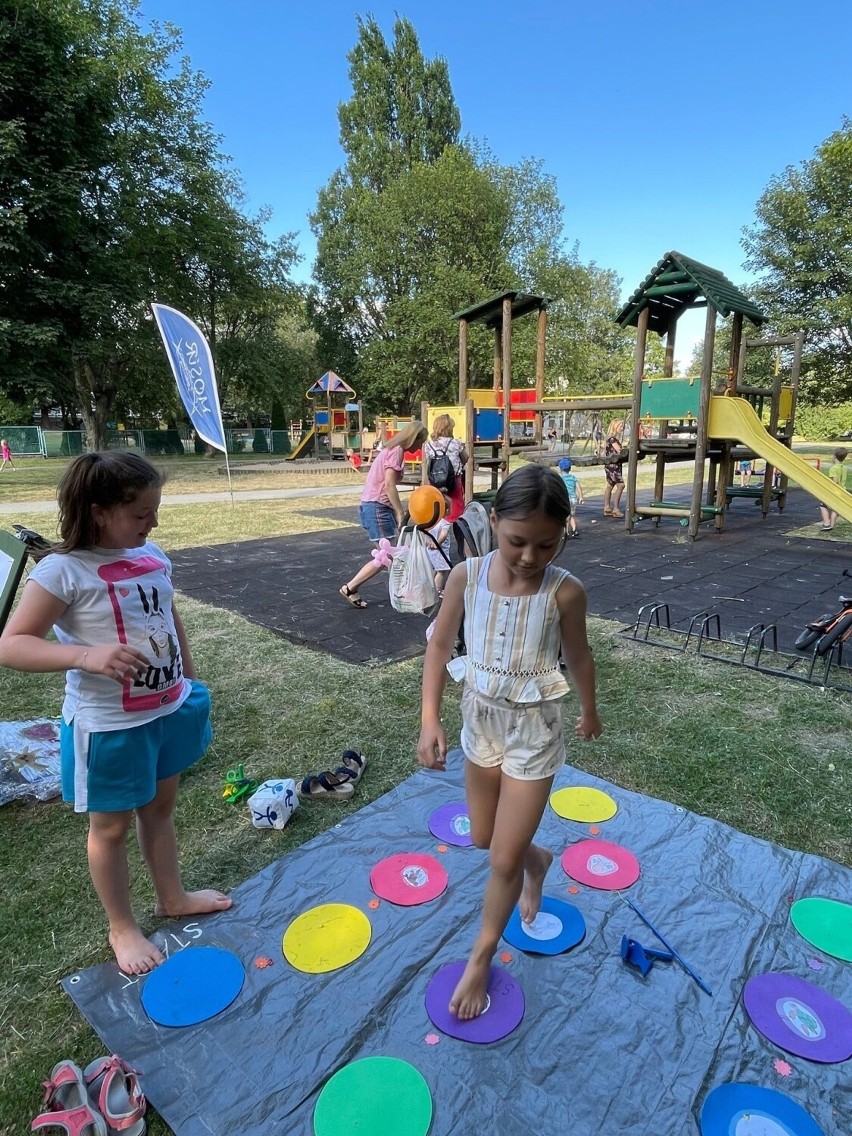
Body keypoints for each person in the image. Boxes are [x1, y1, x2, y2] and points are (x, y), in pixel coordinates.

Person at [0, 451, 231, 975]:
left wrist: (187, 676)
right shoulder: (63, 571)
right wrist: (85, 655)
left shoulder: (153, 555)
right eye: (141, 513)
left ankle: (171, 896)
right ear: (100, 511)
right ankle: (121, 926)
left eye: (155, 510)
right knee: (110, 829)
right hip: (110, 726)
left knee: (161, 808)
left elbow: (169, 616)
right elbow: (11, 645)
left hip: (166, 709)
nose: (154, 522)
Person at [417, 463, 602, 1020]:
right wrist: (430, 718)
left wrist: (590, 708)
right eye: (517, 541)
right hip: (481, 722)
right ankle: (537, 859)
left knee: (500, 858)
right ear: (492, 520)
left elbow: (581, 655)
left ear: (563, 534)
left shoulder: (565, 592)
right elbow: (439, 645)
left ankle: (481, 956)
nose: (529, 557)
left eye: (546, 544)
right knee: (482, 839)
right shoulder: (465, 578)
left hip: (534, 733)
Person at [340, 420, 429, 608]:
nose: (420, 446)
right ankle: (351, 587)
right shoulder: (396, 451)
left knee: (392, 554)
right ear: (413, 438)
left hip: (376, 506)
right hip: (376, 507)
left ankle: (402, 591)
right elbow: (389, 485)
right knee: (389, 555)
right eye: (420, 442)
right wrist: (400, 510)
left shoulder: (394, 450)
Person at [424, 414, 468, 522]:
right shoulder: (455, 443)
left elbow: (427, 461)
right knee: (456, 504)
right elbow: (465, 458)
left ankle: (437, 522)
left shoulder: (429, 445)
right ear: (449, 429)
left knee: (437, 502)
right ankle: (454, 524)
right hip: (453, 478)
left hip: (435, 479)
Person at [425, 496, 453, 595]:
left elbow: (425, 532)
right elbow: (444, 534)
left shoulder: (431, 522)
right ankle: (437, 590)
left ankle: (431, 588)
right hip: (440, 551)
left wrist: (429, 541)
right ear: (447, 510)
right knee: (442, 571)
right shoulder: (445, 523)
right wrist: (437, 543)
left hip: (430, 550)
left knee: (435, 569)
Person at [819, 448, 848, 531]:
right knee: (835, 508)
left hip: (835, 491)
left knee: (822, 505)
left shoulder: (833, 469)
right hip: (843, 490)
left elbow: (834, 482)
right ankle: (831, 525)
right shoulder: (844, 467)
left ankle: (826, 522)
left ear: (834, 457)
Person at [557, 457, 584, 537]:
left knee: (565, 516)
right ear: (570, 468)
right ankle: (574, 530)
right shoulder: (573, 478)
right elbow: (578, 487)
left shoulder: (560, 478)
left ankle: (565, 533)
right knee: (571, 514)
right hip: (573, 499)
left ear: (560, 468)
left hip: (566, 499)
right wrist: (581, 497)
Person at [603, 423, 625, 518]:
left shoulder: (610, 438)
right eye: (620, 426)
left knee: (610, 485)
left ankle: (607, 508)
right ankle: (616, 509)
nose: (622, 428)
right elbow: (619, 450)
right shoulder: (612, 439)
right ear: (615, 427)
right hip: (613, 466)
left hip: (611, 465)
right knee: (621, 485)